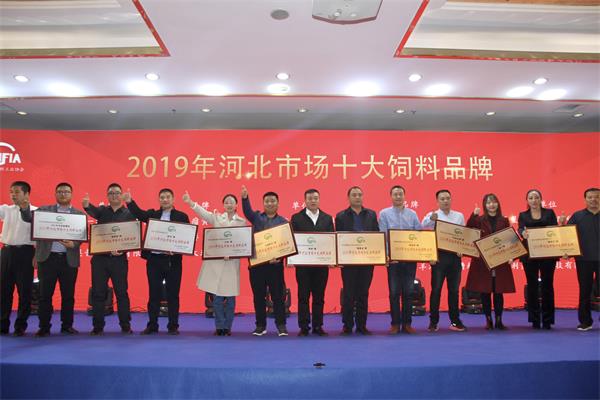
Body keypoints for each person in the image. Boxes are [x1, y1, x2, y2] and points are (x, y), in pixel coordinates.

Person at [20, 182, 84, 337]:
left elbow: (81, 237)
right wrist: (25, 207)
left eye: (66, 191)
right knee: (44, 295)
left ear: (71, 194)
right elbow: (28, 218)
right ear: (55, 194)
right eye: (60, 191)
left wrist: (74, 244)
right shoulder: (44, 211)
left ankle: (67, 326)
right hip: (47, 259)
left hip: (68, 260)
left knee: (68, 296)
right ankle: (44, 327)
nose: (63, 194)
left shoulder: (79, 214)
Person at [124, 188, 189, 335]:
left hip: (173, 261)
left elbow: (187, 237)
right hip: (154, 260)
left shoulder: (182, 216)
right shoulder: (153, 214)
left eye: (167, 197)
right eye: (162, 197)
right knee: (154, 294)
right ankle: (152, 325)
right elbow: (139, 214)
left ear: (173, 199)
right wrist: (129, 202)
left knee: (173, 295)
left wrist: (177, 249)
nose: (165, 199)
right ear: (159, 200)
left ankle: (173, 326)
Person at [183, 190, 246, 336]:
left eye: (231, 202)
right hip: (217, 262)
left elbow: (243, 243)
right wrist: (191, 203)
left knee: (230, 299)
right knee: (217, 298)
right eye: (226, 202)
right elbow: (203, 213)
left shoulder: (242, 222)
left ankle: (227, 327)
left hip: (232, 263)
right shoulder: (217, 218)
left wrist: (233, 253)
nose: (229, 204)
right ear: (223, 205)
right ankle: (219, 327)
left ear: (236, 205)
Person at [82, 183, 135, 335]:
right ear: (107, 196)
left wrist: (123, 249)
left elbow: (133, 236)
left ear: (121, 195)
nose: (114, 195)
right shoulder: (102, 211)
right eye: (111, 193)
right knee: (98, 293)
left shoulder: (129, 213)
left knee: (122, 293)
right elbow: (92, 210)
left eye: (117, 193)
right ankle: (98, 326)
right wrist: (86, 205)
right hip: (100, 259)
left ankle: (125, 325)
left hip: (119, 260)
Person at [241, 185, 289, 337]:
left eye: (273, 201)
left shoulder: (283, 222)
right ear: (263, 203)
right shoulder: (257, 217)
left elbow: (286, 244)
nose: (270, 203)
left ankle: (281, 326)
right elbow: (247, 212)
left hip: (275, 266)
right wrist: (245, 198)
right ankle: (260, 326)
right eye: (267, 201)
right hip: (257, 266)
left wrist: (280, 257)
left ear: (278, 203)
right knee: (258, 297)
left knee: (278, 297)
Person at [465, 194, 515, 330]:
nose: (491, 205)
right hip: (483, 261)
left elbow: (509, 239)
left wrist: (511, 255)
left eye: (494, 202)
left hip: (500, 260)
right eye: (488, 203)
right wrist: (474, 215)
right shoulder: (479, 220)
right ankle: (488, 320)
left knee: (498, 291)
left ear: (498, 204)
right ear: (484, 205)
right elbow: (468, 229)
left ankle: (499, 320)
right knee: (485, 291)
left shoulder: (504, 220)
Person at [289, 189, 335, 337]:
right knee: (303, 296)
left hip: (321, 265)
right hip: (303, 266)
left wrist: (332, 259)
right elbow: (292, 240)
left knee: (319, 297)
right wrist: (290, 258)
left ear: (319, 200)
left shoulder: (327, 218)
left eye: (315, 198)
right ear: (305, 200)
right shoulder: (296, 218)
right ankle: (304, 326)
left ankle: (318, 326)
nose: (313, 201)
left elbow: (331, 240)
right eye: (310, 198)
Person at [335, 186, 379, 335]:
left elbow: (376, 236)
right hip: (348, 261)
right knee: (348, 294)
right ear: (348, 198)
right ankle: (347, 325)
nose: (357, 197)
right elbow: (338, 238)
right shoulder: (341, 216)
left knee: (363, 293)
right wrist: (338, 257)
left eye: (360, 194)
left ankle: (361, 325)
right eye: (354, 195)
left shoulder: (371, 214)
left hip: (367, 260)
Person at [422, 189, 467, 332]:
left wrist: (462, 249)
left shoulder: (459, 216)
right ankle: (433, 322)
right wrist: (431, 219)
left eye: (448, 198)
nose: (445, 201)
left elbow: (463, 235)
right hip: (439, 257)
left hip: (455, 257)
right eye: (442, 199)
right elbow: (422, 226)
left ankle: (455, 321)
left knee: (454, 291)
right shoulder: (433, 215)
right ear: (437, 201)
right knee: (436, 290)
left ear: (451, 199)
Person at [378, 185, 422, 335]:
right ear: (391, 196)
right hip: (393, 261)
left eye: (400, 194)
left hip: (410, 260)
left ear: (404, 196)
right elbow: (383, 236)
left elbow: (419, 234)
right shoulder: (384, 214)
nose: (398, 196)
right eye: (395, 194)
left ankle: (407, 324)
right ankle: (395, 324)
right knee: (394, 293)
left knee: (408, 293)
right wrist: (387, 256)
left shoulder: (412, 214)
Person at [518, 189, 558, 330]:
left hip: (548, 254)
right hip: (530, 255)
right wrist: (522, 233)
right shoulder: (523, 215)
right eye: (531, 198)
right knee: (532, 287)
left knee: (548, 286)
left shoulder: (550, 213)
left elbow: (555, 230)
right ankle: (535, 320)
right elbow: (520, 229)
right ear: (527, 201)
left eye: (536, 197)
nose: (534, 200)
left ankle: (547, 320)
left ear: (541, 199)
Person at [0, 181, 36, 336]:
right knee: (4, 291)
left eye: (16, 192)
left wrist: (37, 256)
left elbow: (39, 236)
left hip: (26, 253)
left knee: (24, 291)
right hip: (6, 252)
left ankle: (20, 326)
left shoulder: (36, 212)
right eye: (11, 192)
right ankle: (2, 324)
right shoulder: (6, 209)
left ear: (26, 194)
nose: (13, 195)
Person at [566, 188, 600, 331]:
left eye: (596, 197)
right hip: (584, 259)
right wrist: (566, 251)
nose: (593, 200)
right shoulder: (577, 216)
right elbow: (567, 235)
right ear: (585, 199)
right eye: (590, 197)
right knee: (585, 290)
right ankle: (586, 321)